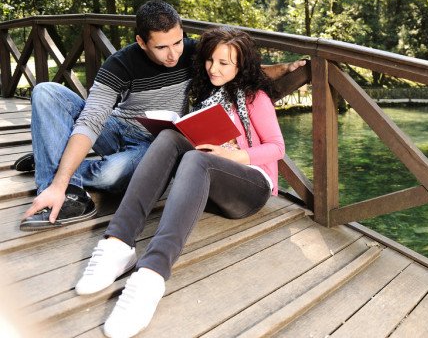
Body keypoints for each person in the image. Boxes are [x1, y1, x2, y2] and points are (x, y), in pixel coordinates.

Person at [16, 0, 303, 231]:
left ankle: (51, 154)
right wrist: (59, 182)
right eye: (162, 47)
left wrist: (286, 69)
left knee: (112, 176)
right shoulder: (119, 66)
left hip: (155, 143)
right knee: (46, 91)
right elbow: (91, 120)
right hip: (116, 127)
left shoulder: (194, 52)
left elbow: (237, 66)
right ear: (141, 42)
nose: (173, 54)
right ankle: (61, 194)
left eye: (177, 42)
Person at [74, 27, 285, 338]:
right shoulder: (205, 94)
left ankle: (151, 275)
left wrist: (235, 155)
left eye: (225, 63)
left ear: (241, 66)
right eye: (211, 60)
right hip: (208, 180)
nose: (214, 68)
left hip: (252, 186)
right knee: (172, 137)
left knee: (197, 159)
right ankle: (118, 243)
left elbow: (277, 148)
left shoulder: (256, 97)